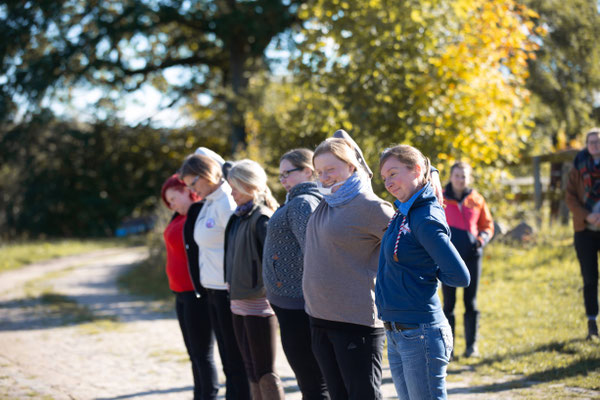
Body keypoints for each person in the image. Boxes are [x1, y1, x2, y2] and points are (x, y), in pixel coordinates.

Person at [302, 133, 395, 400]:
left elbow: (411, 250)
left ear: (352, 166)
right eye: (320, 171)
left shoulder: (372, 207)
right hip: (319, 318)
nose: (324, 176)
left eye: (331, 169)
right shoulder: (326, 202)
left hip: (356, 323)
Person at [375, 144, 470, 400]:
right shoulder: (404, 212)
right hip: (397, 332)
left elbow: (460, 276)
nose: (388, 182)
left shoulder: (424, 218)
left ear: (416, 169)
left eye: (393, 173)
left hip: (420, 333)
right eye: (384, 178)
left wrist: (428, 271)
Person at [179, 148, 252, 400]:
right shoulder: (207, 203)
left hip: (228, 291)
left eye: (193, 183)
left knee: (235, 360)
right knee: (227, 360)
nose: (192, 190)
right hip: (212, 290)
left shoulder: (225, 202)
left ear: (206, 173)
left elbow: (238, 243)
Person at [263, 149, 329, 400]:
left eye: (287, 173)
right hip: (290, 301)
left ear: (308, 172)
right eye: (280, 176)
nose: (283, 180)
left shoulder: (303, 202)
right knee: (309, 379)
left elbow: (312, 250)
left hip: (298, 304)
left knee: (312, 380)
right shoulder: (296, 200)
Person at [224, 159, 284, 400]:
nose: (231, 192)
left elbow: (274, 265)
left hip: (259, 306)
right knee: (250, 370)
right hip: (238, 303)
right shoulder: (237, 217)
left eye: (235, 187)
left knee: (264, 371)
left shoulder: (262, 218)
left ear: (249, 185)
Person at [160, 174, 219, 400]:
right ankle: (199, 395)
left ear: (186, 190)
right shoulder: (178, 217)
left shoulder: (200, 215)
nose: (171, 205)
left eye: (173, 199)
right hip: (180, 294)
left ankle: (208, 396)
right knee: (193, 353)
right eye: (168, 203)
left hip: (197, 294)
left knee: (203, 353)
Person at [441, 161, 494, 358]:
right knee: (449, 304)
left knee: (470, 302)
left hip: (472, 256)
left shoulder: (477, 199)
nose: (460, 179)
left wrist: (481, 240)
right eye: (457, 175)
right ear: (450, 176)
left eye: (464, 176)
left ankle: (471, 347)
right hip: (449, 259)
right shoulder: (441, 198)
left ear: (468, 178)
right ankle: (448, 348)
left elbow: (487, 225)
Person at [566, 128, 600, 340]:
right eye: (591, 141)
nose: (595, 145)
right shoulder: (578, 166)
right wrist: (587, 215)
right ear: (586, 144)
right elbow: (569, 197)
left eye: (598, 141)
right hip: (584, 231)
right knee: (590, 279)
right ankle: (592, 324)